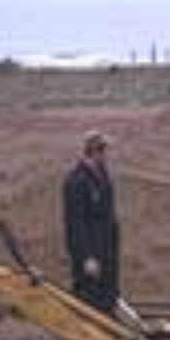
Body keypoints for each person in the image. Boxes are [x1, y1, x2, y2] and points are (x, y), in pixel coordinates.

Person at [63, 130, 120, 314]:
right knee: (89, 298)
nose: (106, 155)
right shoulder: (77, 180)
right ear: (93, 151)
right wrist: (87, 256)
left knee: (107, 295)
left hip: (105, 248)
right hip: (89, 249)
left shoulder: (102, 176)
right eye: (102, 150)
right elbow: (76, 221)